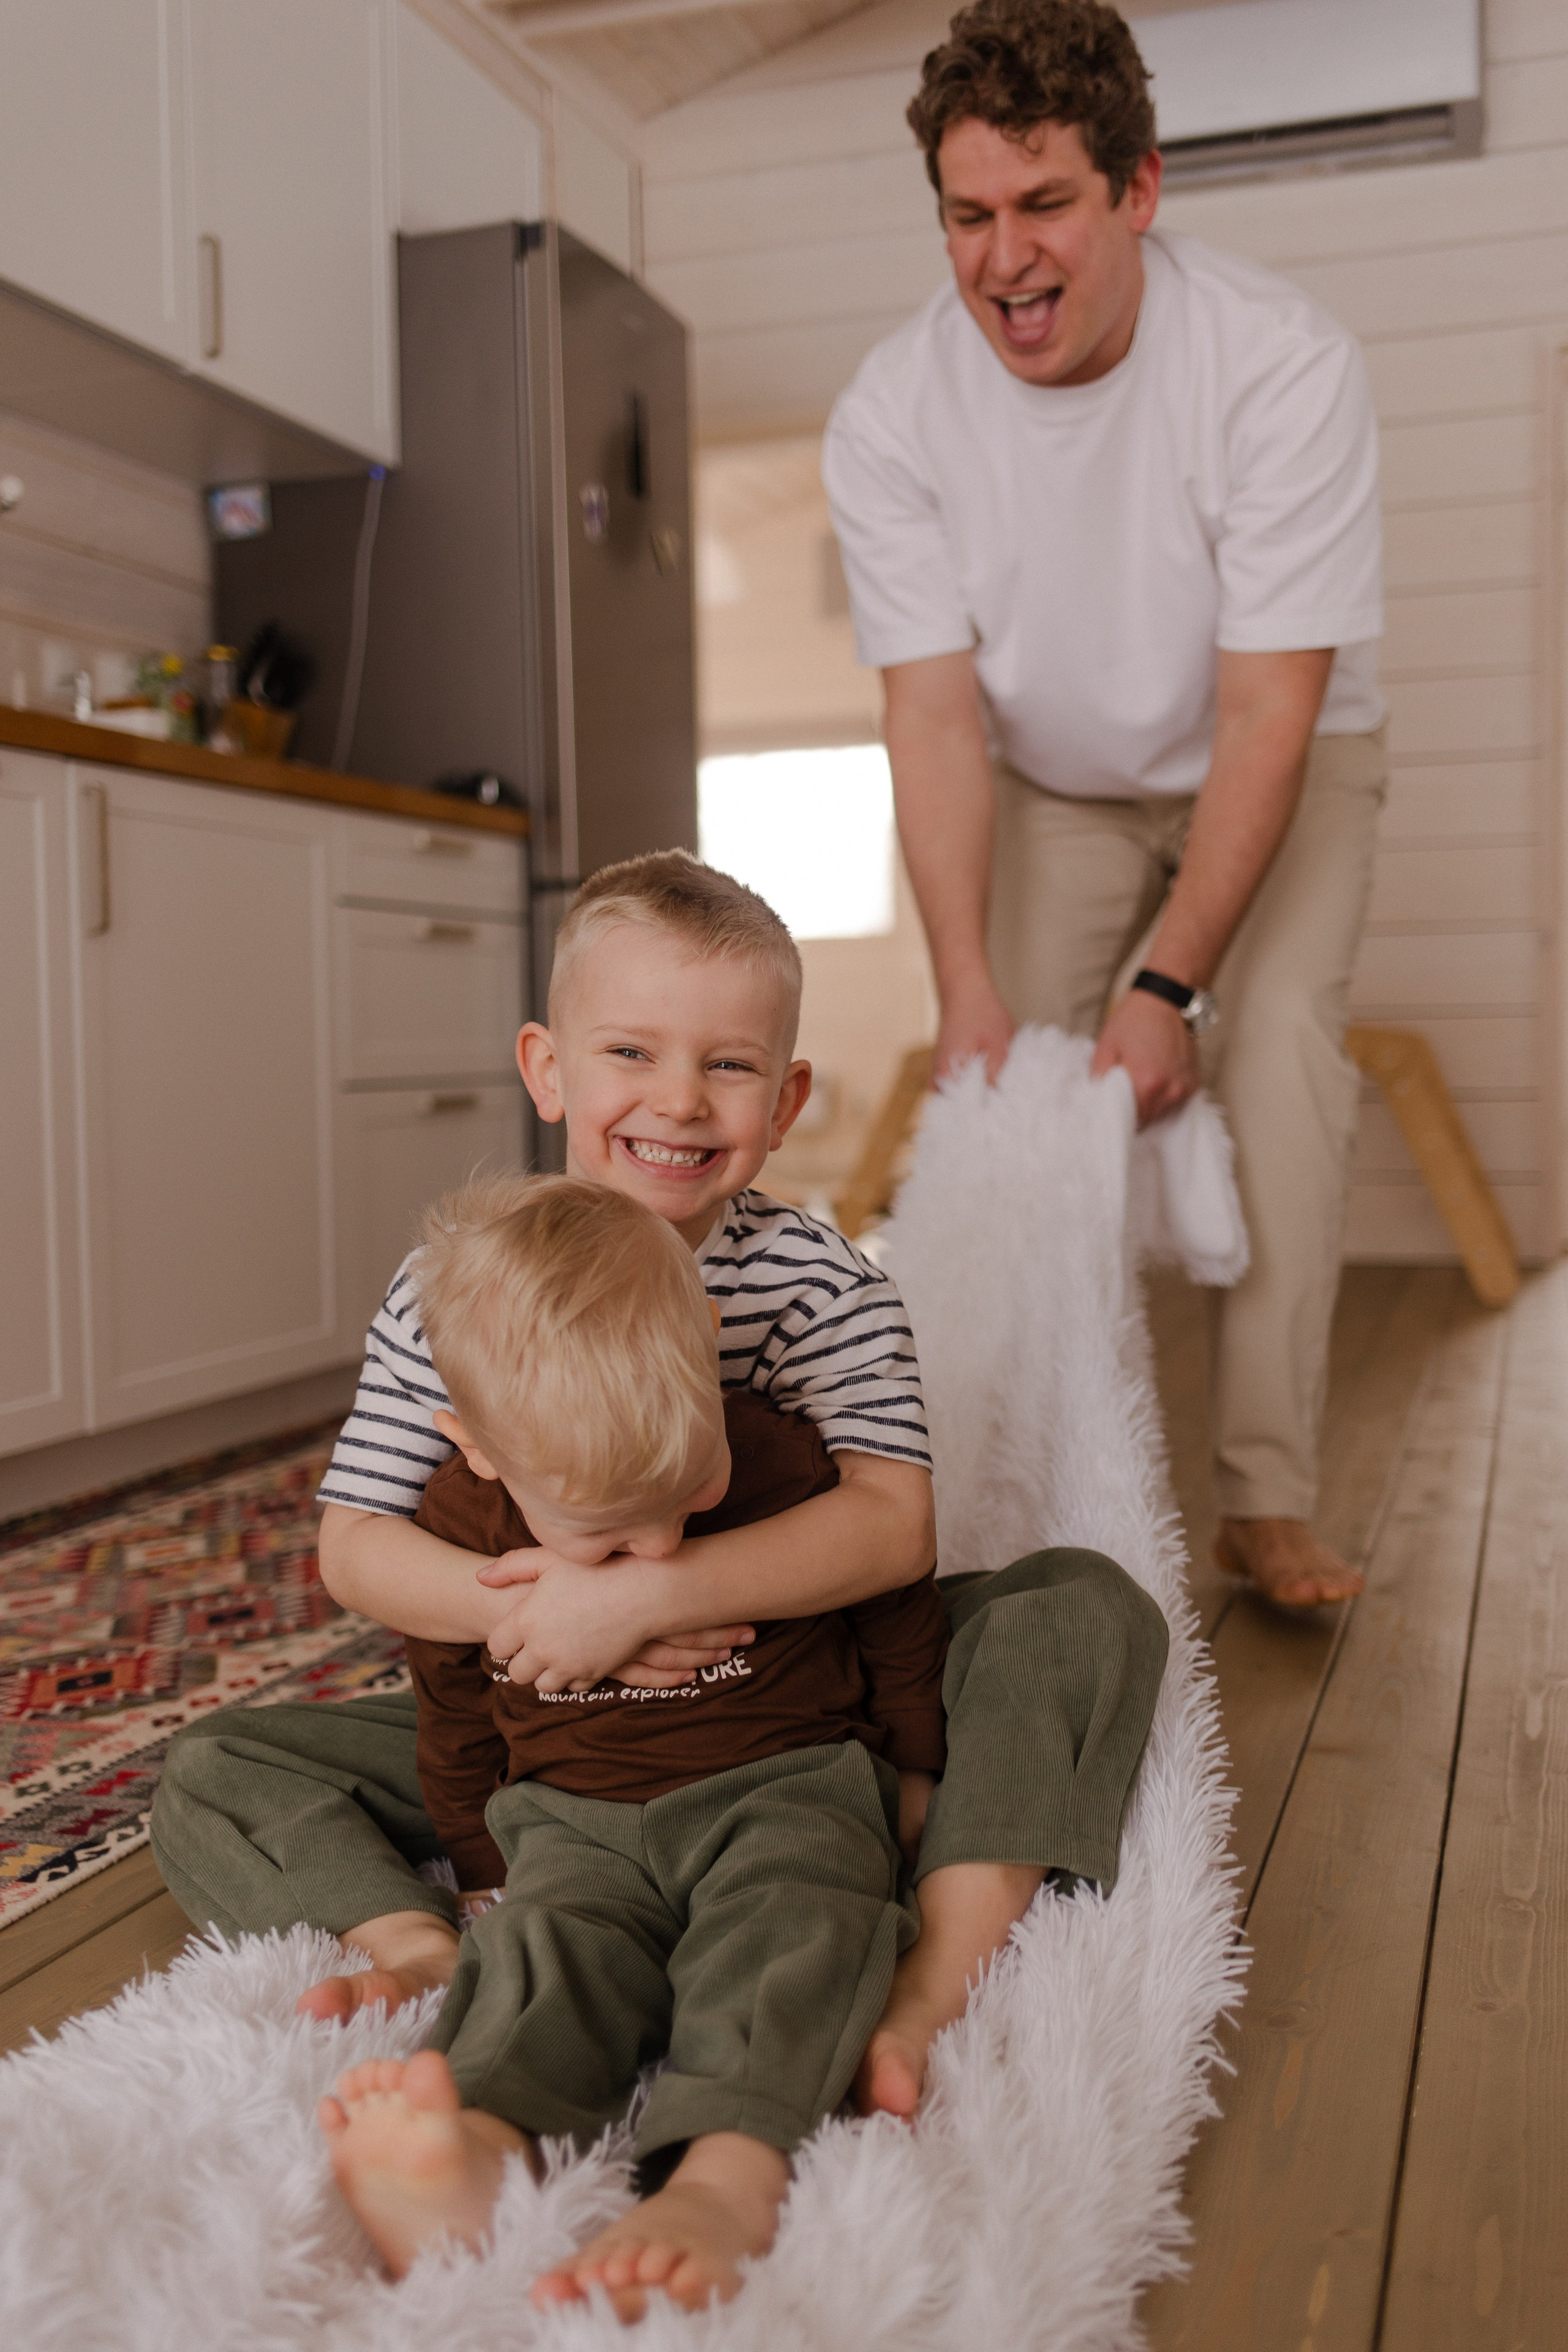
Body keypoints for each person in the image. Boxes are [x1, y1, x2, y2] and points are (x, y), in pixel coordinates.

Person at [150, 851, 1166, 2124]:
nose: (677, 1102)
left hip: (799, 1706)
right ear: (548, 1069)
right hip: (551, 1724)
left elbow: (891, 1525)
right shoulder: (450, 1288)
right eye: (629, 1054)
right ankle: (421, 1950)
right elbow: (356, 1546)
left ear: (785, 1097)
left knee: (1076, 1607)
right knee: (214, 1763)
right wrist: (552, 1612)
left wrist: (645, 1599)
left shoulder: (822, 1287)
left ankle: (929, 1975)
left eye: (727, 1066)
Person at [823, 0, 1386, 1611]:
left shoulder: (1279, 366)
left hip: (1282, 752)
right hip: (1051, 778)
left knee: (1271, 1047)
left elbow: (1270, 705)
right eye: (969, 215)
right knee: (1007, 1096)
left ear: (1138, 190)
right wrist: (967, 991)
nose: (1006, 259)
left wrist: (1171, 982)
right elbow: (930, 717)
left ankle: (1265, 1499)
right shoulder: (893, 413)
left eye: (1046, 204)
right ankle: (998, 1490)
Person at [320, 1173, 950, 2315]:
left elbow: (897, 1614)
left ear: (708, 1342)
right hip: (574, 1814)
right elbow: (451, 1699)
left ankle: (724, 2176)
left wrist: (914, 1774)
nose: (662, 1549)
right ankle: (474, 2148)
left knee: (798, 1931)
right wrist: (480, 1865)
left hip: (785, 1783)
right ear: (479, 1449)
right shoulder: (466, 1526)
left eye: (688, 1490)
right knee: (545, 1956)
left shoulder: (785, 1454)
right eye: (611, 1531)